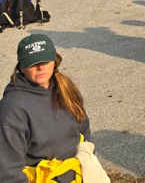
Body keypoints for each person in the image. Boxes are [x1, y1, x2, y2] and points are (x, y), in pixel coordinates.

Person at [0, 34, 92, 183]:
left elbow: (84, 129)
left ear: (54, 62)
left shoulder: (65, 88)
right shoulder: (12, 108)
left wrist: (87, 161)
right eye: (33, 63)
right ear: (21, 67)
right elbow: (7, 169)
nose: (40, 67)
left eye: (45, 61)